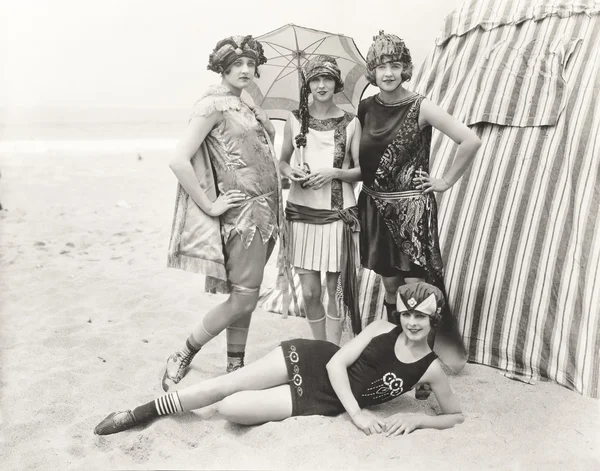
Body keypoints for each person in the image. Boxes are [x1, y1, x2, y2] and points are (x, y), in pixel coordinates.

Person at [94, 282, 464, 436]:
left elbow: (455, 415)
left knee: (229, 408)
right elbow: (336, 364)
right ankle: (138, 413)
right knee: (225, 384)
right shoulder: (381, 329)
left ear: (433, 319)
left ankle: (200, 404)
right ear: (399, 314)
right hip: (312, 360)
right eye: (408, 314)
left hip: (319, 401)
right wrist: (357, 413)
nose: (413, 322)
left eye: (421, 316)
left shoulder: (430, 368)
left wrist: (416, 421)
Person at [163, 34, 286, 392]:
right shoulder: (212, 105)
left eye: (250, 64)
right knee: (245, 296)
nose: (246, 70)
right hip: (243, 218)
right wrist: (209, 204)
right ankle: (184, 352)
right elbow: (178, 160)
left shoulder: (244, 104)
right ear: (223, 68)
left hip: (267, 215)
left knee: (245, 294)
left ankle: (235, 364)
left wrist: (269, 126)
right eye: (237, 65)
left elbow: (258, 153)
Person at [357, 31, 481, 375]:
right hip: (376, 209)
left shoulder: (420, 106)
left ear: (405, 69)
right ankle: (395, 354)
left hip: (412, 214)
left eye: (395, 65)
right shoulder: (365, 107)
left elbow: (470, 140)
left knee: (418, 288)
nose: (388, 73)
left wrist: (444, 182)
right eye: (381, 67)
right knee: (391, 286)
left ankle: (422, 364)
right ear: (372, 71)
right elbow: (359, 161)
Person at [279, 55, 362, 344]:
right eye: (315, 79)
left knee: (335, 290)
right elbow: (282, 163)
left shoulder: (351, 123)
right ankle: (317, 348)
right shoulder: (294, 119)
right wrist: (294, 171)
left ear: (337, 83)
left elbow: (361, 171)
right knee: (311, 292)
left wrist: (334, 172)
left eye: (327, 79)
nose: (322, 85)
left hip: (337, 218)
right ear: (308, 84)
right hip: (302, 215)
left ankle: (333, 349)